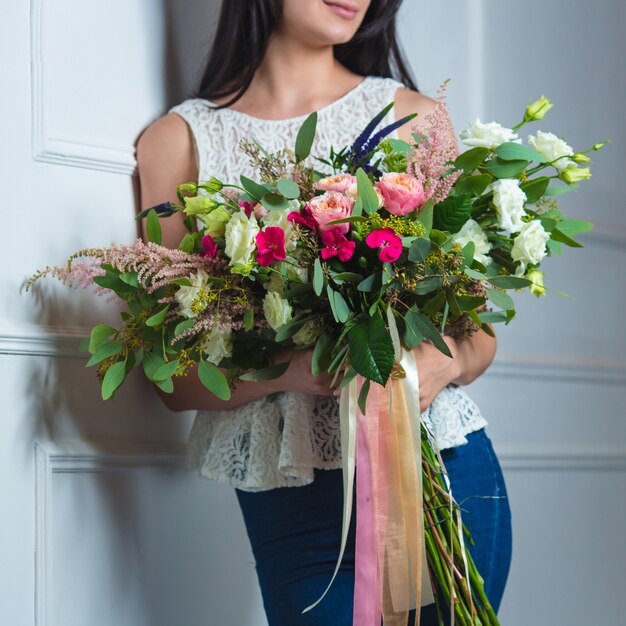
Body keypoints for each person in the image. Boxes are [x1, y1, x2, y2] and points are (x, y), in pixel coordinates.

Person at [135, 1, 513, 624]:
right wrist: (294, 371)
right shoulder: (177, 143)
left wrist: (419, 372)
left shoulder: (413, 119)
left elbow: (478, 337)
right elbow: (170, 379)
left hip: (445, 476)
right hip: (296, 508)